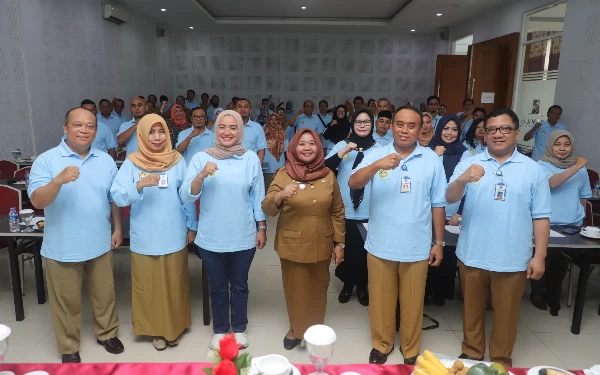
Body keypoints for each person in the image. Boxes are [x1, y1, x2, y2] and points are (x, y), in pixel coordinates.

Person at [446, 108, 550, 367]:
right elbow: (449, 197)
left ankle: (501, 359)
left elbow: (541, 216)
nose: (498, 134)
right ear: (485, 134)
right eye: (492, 129)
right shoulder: (470, 162)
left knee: (506, 315)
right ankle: (472, 351)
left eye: (505, 129)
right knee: (472, 310)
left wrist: (540, 256)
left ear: (516, 133)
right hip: (472, 252)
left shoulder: (533, 170)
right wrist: (463, 178)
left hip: (513, 256)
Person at [348, 106, 446, 365]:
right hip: (381, 243)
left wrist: (438, 242)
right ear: (391, 126)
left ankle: (411, 348)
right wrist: (377, 165)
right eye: (399, 124)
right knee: (381, 299)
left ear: (421, 128)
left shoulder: (431, 160)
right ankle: (381, 344)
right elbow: (353, 182)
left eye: (411, 125)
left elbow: (438, 204)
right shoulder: (376, 154)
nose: (404, 130)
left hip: (417, 244)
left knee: (414, 301)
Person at [28, 108, 124, 363]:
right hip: (63, 246)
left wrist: (117, 228)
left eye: (90, 126)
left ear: (97, 130)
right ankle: (69, 346)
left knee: (105, 295)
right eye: (78, 125)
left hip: (100, 241)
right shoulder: (47, 160)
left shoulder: (104, 160)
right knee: (66, 301)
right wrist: (57, 181)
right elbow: (38, 199)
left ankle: (107, 333)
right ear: (65, 128)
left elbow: (112, 198)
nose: (84, 130)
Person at [180, 110, 267, 350]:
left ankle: (238, 328)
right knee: (218, 286)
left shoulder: (250, 158)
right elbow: (186, 195)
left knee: (239, 285)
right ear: (215, 130)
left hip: (243, 234)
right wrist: (200, 175)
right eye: (222, 127)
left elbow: (257, 196)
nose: (227, 132)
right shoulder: (201, 158)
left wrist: (261, 226)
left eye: (232, 127)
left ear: (240, 131)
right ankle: (220, 330)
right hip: (211, 236)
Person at [110, 114, 197, 351]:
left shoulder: (177, 160)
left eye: (161, 132)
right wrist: (139, 184)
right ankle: (156, 330)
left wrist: (192, 226)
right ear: (142, 134)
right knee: (148, 285)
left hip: (173, 231)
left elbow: (187, 195)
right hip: (145, 235)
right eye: (151, 132)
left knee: (174, 283)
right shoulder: (132, 162)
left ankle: (173, 327)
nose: (157, 137)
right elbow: (116, 195)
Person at [262, 128, 345, 350]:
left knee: (319, 289)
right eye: (302, 143)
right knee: (296, 289)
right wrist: (280, 195)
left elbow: (337, 211)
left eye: (312, 143)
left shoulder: (328, 175)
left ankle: (315, 330)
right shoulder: (283, 174)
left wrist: (340, 243)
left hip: (322, 242)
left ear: (319, 148)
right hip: (293, 244)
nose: (307, 148)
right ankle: (296, 330)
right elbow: (267, 208)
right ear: (294, 147)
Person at [530, 131, 591, 314]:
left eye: (567, 144)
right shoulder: (541, 165)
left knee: (562, 262)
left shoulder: (582, 169)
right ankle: (537, 294)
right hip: (547, 222)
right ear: (550, 146)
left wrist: (582, 220)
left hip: (572, 224)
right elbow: (551, 184)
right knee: (544, 258)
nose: (562, 148)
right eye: (558, 144)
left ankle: (553, 294)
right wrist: (575, 167)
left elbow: (584, 196)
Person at [325, 108, 377, 307]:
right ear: (352, 125)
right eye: (358, 122)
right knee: (343, 247)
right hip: (344, 207)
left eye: (366, 122)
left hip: (370, 210)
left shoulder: (380, 149)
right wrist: (344, 151)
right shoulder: (342, 145)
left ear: (371, 125)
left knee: (364, 251)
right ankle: (347, 284)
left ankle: (362, 286)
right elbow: (325, 167)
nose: (362, 125)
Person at [425, 115, 466, 306]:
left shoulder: (465, 154)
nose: (449, 133)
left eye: (454, 129)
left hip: (453, 213)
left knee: (447, 254)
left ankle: (441, 292)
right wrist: (435, 155)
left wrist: (460, 212)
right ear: (439, 129)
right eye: (446, 128)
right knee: (426, 250)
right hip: (429, 211)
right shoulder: (428, 151)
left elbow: (470, 186)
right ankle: (425, 290)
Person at [235, 98, 267, 164]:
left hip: (250, 168)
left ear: (250, 110)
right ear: (234, 110)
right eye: (240, 106)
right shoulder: (228, 127)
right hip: (230, 168)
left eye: (246, 107)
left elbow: (261, 150)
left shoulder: (257, 127)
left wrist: (257, 168)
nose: (243, 109)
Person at [263, 113, 288, 190]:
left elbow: (287, 149)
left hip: (279, 165)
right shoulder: (263, 132)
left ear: (278, 121)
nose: (273, 121)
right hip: (267, 166)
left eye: (275, 119)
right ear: (268, 121)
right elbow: (258, 145)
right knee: (268, 188)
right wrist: (264, 134)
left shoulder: (282, 133)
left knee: (279, 188)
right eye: (271, 119)